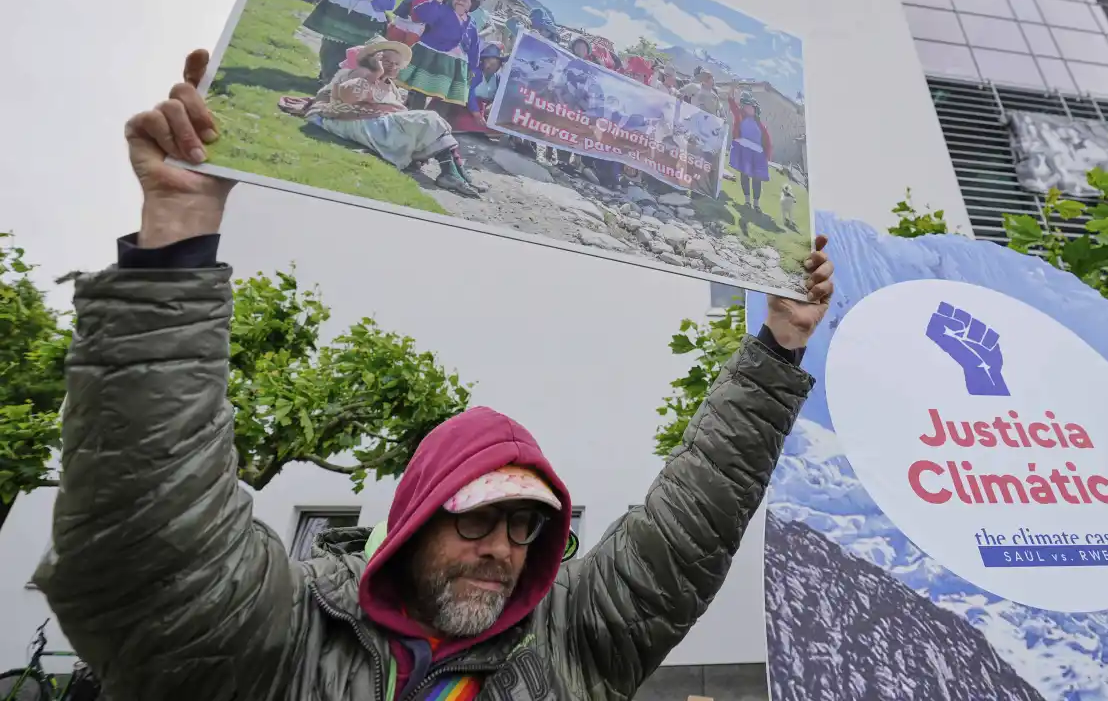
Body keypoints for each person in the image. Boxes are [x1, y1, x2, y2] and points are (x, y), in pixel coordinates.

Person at [33, 47, 835, 701]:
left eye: (528, 525)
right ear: (415, 515)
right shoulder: (286, 630)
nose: (503, 549)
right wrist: (177, 241)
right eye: (478, 519)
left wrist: (777, 351)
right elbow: (152, 540)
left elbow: (692, 522)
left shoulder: (570, 643)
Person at [308, 41, 484, 197]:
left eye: (396, 64)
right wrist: (375, 72)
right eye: (386, 61)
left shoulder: (390, 85)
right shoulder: (362, 73)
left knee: (433, 122)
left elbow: (396, 109)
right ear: (373, 60)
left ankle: (455, 172)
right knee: (429, 118)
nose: (392, 67)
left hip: (376, 125)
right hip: (353, 123)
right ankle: (451, 172)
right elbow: (348, 97)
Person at [397, 0, 486, 111]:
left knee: (443, 96)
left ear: (471, 5)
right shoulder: (442, 9)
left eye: (465, 0)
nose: (460, 2)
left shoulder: (471, 22)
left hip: (453, 63)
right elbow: (422, 14)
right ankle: (414, 114)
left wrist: (472, 67)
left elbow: (474, 46)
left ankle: (433, 121)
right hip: (431, 55)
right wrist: (436, 2)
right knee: (421, 89)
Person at [727, 87, 773, 212]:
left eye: (750, 106)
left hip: (758, 154)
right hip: (745, 151)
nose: (748, 108)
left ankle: (756, 204)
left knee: (757, 179)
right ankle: (747, 201)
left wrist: (768, 154)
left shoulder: (760, 125)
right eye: (745, 106)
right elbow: (733, 107)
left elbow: (767, 141)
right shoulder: (740, 117)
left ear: (755, 108)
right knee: (745, 175)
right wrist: (731, 95)